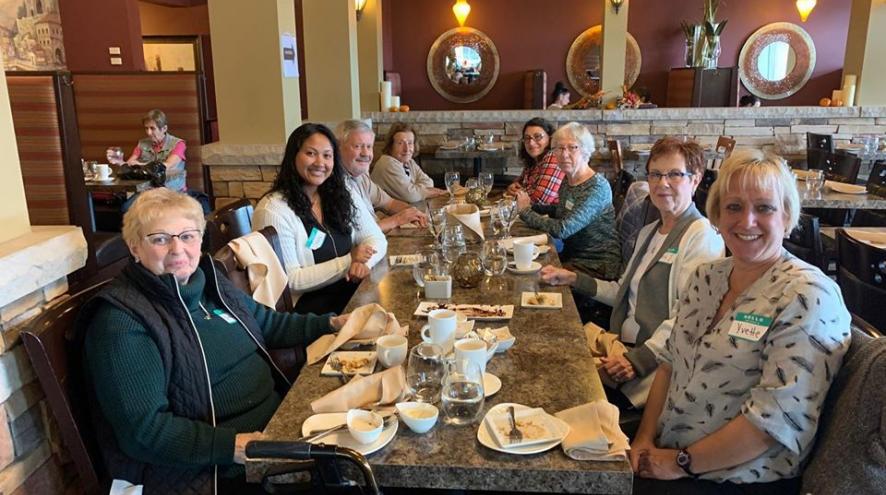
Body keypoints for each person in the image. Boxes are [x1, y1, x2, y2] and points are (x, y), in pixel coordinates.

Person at [81, 188, 349, 494]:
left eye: (187, 236)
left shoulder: (208, 282)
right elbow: (143, 431)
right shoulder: (121, 321)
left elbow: (266, 323)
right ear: (134, 247)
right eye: (160, 239)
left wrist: (332, 324)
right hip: (221, 469)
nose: (177, 249)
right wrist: (231, 446)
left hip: (276, 428)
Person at [630, 150, 851, 494]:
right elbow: (669, 365)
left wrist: (679, 463)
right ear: (717, 215)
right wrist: (643, 440)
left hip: (737, 479)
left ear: (787, 216)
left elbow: (773, 420)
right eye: (733, 207)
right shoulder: (706, 277)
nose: (747, 222)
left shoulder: (807, 295)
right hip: (667, 454)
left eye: (764, 208)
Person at [539, 137, 724, 408]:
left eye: (674, 174)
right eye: (655, 174)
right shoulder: (649, 232)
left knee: (556, 385)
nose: (662, 183)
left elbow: (690, 317)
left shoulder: (701, 236)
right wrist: (573, 278)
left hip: (650, 367)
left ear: (695, 180)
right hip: (618, 345)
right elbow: (622, 292)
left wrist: (637, 361)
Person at [253, 123, 387, 315]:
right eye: (311, 153)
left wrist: (363, 264)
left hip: (350, 297)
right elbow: (290, 280)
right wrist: (348, 261)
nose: (320, 163)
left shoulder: (341, 193)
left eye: (327, 155)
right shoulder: (273, 210)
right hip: (310, 313)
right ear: (293, 157)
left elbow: (376, 238)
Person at [515, 121, 621, 281]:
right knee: (522, 264)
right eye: (559, 148)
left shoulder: (596, 188)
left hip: (596, 266)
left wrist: (525, 212)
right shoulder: (568, 179)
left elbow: (562, 229)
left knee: (530, 277)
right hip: (571, 256)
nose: (564, 154)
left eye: (572, 147)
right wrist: (533, 206)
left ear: (586, 151)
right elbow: (561, 210)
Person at [336, 120, 428, 233]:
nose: (365, 153)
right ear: (337, 148)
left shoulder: (361, 178)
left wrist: (414, 213)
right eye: (358, 146)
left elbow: (390, 203)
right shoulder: (334, 185)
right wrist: (397, 220)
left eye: (369, 147)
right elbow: (356, 234)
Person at [370, 122, 448, 203]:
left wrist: (415, 189)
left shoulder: (409, 162)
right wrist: (419, 190)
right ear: (390, 146)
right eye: (400, 143)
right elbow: (411, 196)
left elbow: (429, 182)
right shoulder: (387, 163)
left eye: (410, 143)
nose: (406, 149)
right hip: (382, 211)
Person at [120, 109, 188, 193]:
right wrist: (121, 162)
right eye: (146, 128)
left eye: (152, 128)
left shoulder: (179, 144)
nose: (148, 133)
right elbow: (129, 164)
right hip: (146, 191)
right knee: (125, 201)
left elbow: (167, 166)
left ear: (164, 128)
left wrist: (140, 164)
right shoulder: (142, 143)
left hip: (172, 192)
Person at [506, 117, 565, 205]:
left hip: (549, 213)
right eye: (527, 138)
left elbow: (540, 200)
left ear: (550, 138)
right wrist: (512, 187)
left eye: (538, 137)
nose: (531, 143)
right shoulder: (534, 160)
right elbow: (518, 184)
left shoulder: (553, 157)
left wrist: (518, 193)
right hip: (529, 211)